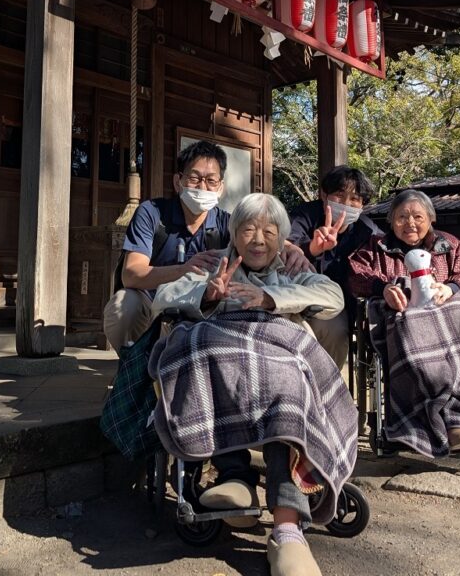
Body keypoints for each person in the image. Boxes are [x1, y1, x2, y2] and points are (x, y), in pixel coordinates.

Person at [151, 193, 354, 576]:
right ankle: (234, 477)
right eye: (248, 230)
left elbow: (333, 296)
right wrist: (207, 293)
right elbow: (163, 297)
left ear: (282, 238)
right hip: (223, 348)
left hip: (278, 350)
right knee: (204, 359)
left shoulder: (292, 266)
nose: (258, 239)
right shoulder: (215, 263)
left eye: (269, 231)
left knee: (288, 385)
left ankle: (287, 526)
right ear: (233, 233)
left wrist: (271, 296)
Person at [102, 140, 310, 352]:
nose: (202, 187)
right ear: (178, 181)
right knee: (124, 306)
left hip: (200, 305)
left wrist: (293, 249)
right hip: (150, 301)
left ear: (220, 188)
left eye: (211, 181)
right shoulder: (152, 213)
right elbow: (131, 274)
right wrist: (183, 270)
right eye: (194, 178)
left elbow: (256, 232)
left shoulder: (224, 222)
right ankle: (132, 369)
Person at [348, 189, 460, 454]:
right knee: (408, 335)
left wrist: (453, 288)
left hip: (448, 319)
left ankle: (459, 421)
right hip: (405, 321)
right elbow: (356, 275)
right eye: (402, 217)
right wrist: (383, 289)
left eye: (417, 216)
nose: (410, 223)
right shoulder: (376, 248)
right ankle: (418, 425)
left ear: (431, 218)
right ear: (391, 220)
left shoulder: (450, 245)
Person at [288, 165, 380, 368]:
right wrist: (311, 248)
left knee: (333, 329)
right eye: (339, 195)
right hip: (297, 295)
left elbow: (387, 251)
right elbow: (285, 245)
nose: (346, 204)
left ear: (362, 205)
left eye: (355, 199)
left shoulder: (367, 230)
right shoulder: (303, 216)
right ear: (323, 194)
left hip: (339, 306)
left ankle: (328, 387)